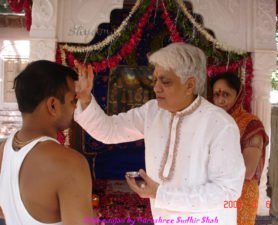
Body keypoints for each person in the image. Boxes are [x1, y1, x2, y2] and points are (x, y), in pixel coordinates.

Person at [74, 43, 246, 225]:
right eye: (155, 80)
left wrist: (160, 194)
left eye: (165, 81)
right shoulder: (153, 112)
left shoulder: (220, 124)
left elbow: (228, 192)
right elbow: (109, 131)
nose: (156, 88)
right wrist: (85, 98)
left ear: (189, 85)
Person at [0, 60, 94, 225]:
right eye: (73, 100)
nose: (75, 107)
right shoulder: (70, 164)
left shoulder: (2, 150)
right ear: (52, 105)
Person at [210, 72, 269, 225]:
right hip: (214, 192)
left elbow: (248, 170)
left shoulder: (251, 124)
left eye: (226, 94)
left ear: (238, 95)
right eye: (216, 94)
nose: (220, 100)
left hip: (242, 195)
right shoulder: (212, 123)